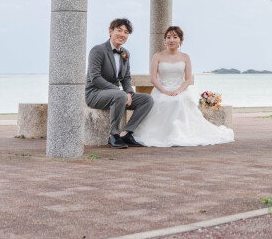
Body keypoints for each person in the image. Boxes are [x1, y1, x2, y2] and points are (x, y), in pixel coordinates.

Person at [132, 26, 234, 147]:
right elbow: (153, 79)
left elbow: (187, 79)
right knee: (162, 101)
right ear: (165, 40)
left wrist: (179, 90)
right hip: (161, 89)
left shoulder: (185, 57)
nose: (171, 40)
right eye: (168, 37)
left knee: (178, 100)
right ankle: (160, 134)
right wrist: (164, 90)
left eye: (175, 37)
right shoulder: (157, 56)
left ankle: (179, 133)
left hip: (180, 90)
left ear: (180, 40)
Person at [85, 18, 153, 148]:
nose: (122, 34)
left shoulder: (125, 53)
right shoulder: (98, 50)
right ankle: (113, 135)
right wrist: (120, 92)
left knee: (147, 100)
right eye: (119, 30)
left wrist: (128, 92)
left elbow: (126, 78)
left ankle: (127, 133)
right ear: (111, 31)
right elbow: (95, 78)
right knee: (120, 96)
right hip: (95, 94)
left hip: (117, 96)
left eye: (126, 32)